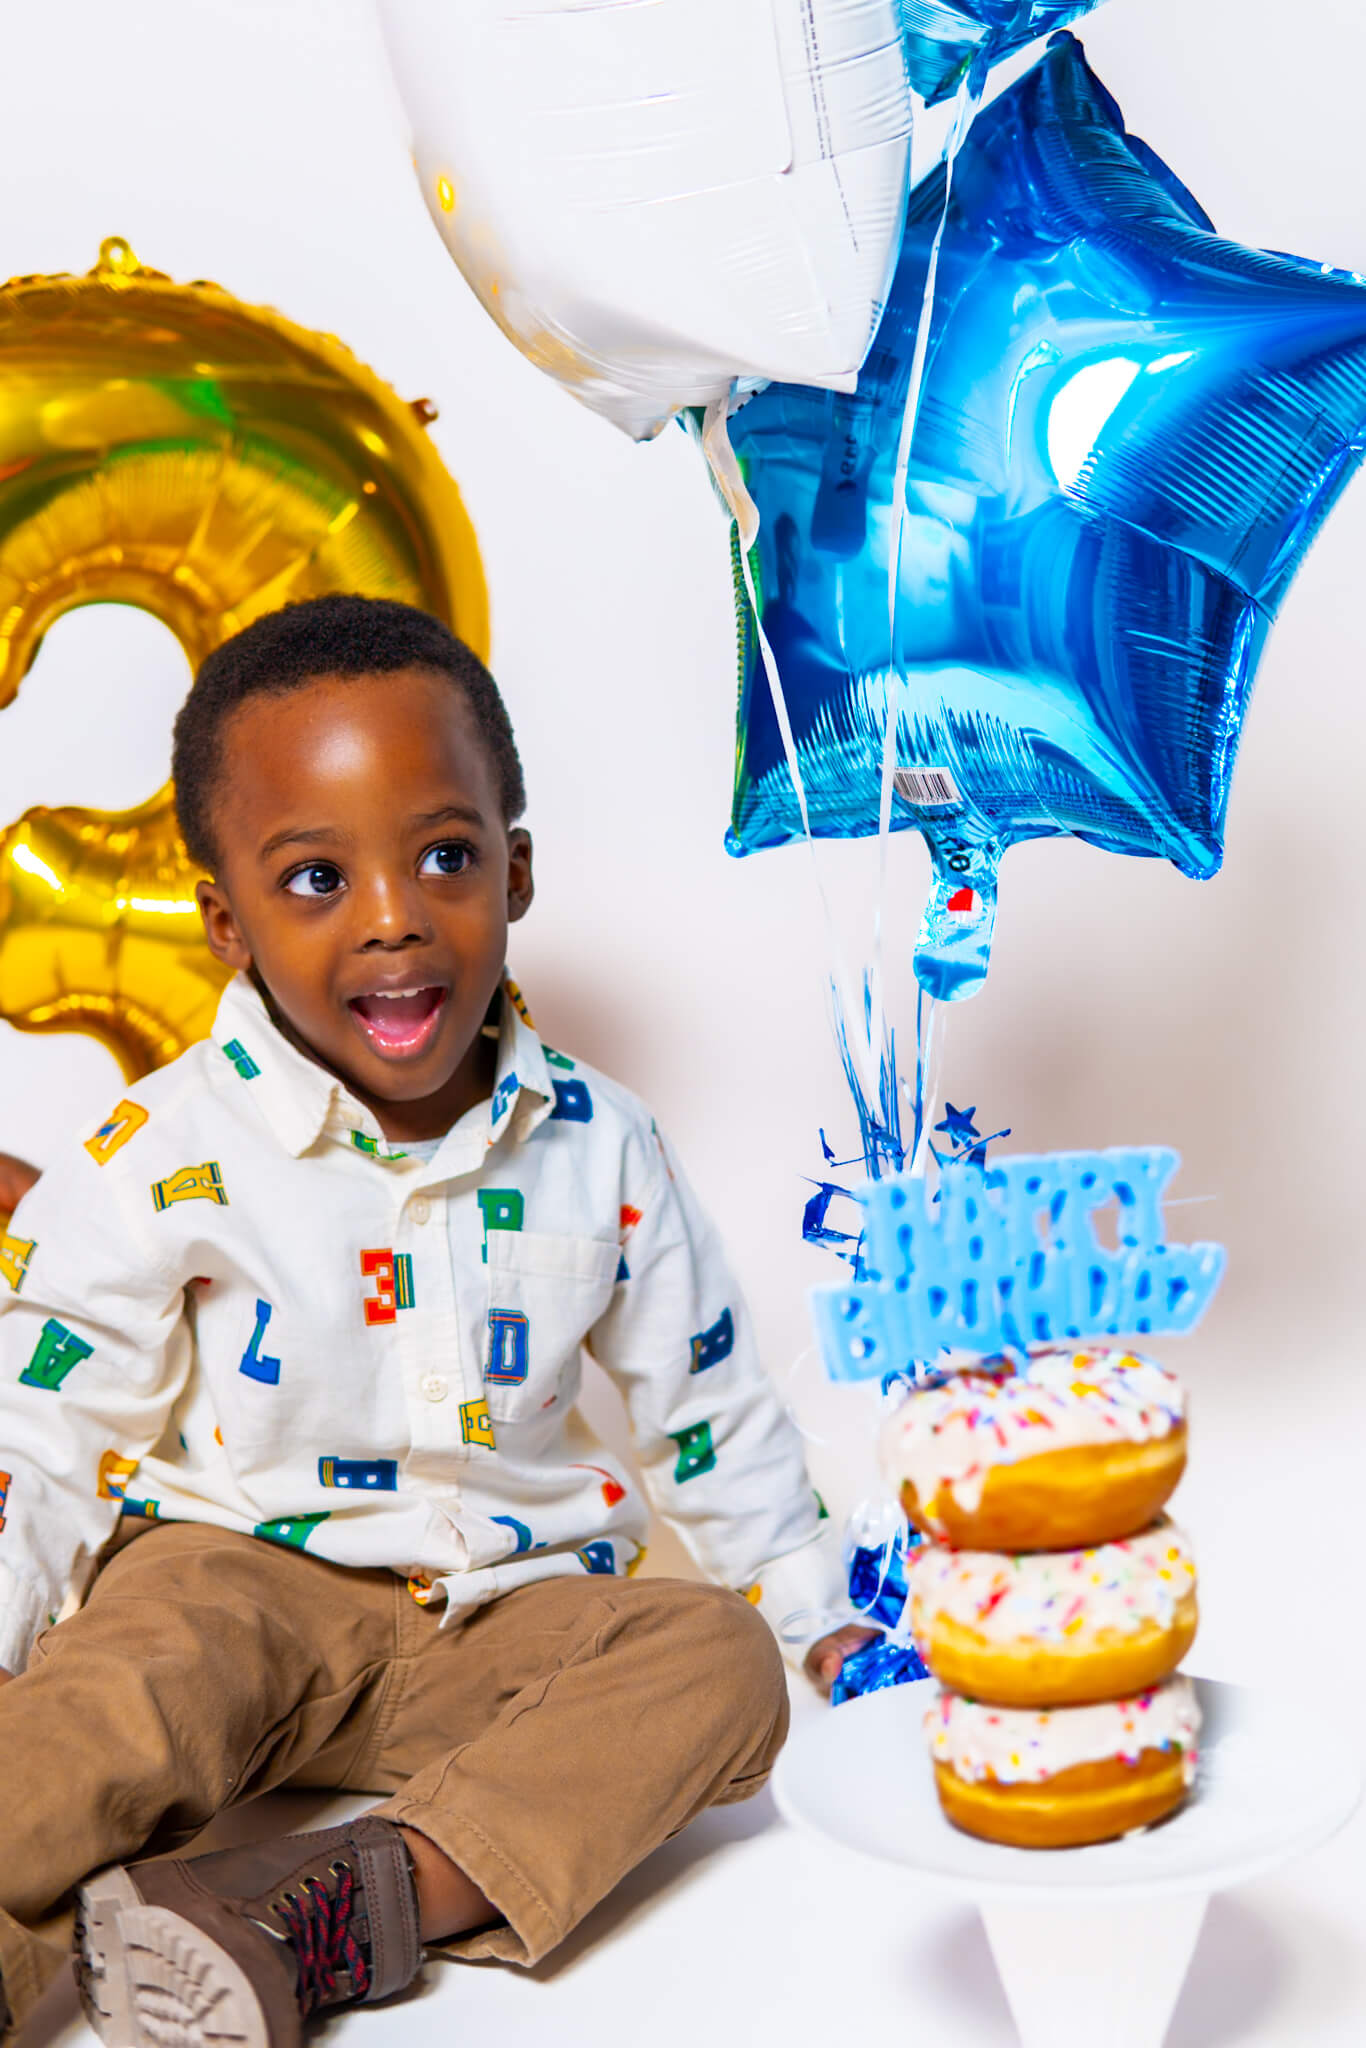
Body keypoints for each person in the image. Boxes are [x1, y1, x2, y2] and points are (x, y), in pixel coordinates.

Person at [0, 596, 873, 2048]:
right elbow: (47, 1425)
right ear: (228, 922)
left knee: (714, 1670)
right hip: (236, 1585)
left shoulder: (601, 1143)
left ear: (516, 873)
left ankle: (314, 1908)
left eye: (445, 857)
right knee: (108, 1714)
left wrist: (813, 1614)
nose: (393, 915)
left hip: (505, 1618)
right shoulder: (158, 1152)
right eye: (314, 879)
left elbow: (703, 1409)